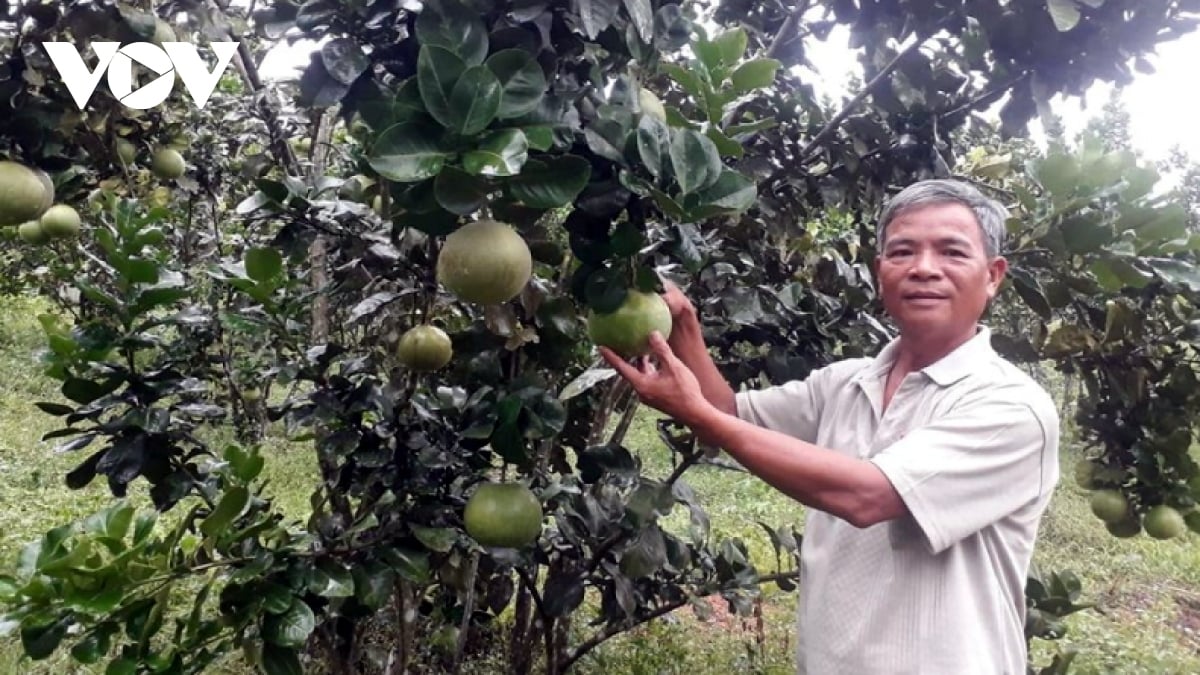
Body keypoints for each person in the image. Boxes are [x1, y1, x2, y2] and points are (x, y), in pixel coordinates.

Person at [598, 179, 1062, 674]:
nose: (924, 269)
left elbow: (870, 497)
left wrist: (699, 414)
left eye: (951, 251)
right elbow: (729, 417)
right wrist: (685, 327)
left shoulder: (1011, 407)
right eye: (902, 251)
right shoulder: (847, 383)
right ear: (880, 270)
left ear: (992, 276)